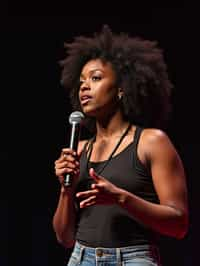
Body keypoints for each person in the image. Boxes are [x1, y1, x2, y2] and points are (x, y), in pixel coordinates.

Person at [53, 25, 189, 266]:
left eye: (95, 78)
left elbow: (179, 225)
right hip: (81, 258)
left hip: (133, 259)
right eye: (82, 81)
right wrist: (66, 189)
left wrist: (121, 198)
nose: (84, 86)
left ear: (121, 89)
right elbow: (64, 238)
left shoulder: (151, 142)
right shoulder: (80, 148)